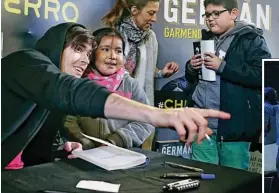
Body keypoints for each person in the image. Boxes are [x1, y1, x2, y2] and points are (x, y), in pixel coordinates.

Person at [1, 22, 230, 171]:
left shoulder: (50, 99)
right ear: (56, 45)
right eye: (77, 49)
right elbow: (70, 91)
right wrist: (159, 115)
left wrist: (64, 147)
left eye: (88, 53)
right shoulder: (26, 61)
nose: (84, 60)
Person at [185, 0, 271, 170]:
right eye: (207, 14)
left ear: (233, 14)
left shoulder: (251, 39)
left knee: (233, 183)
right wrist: (191, 67)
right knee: (204, 182)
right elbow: (191, 79)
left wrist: (222, 67)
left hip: (234, 127)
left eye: (216, 13)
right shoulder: (206, 38)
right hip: (201, 124)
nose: (210, 19)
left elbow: (262, 75)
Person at [102, 0, 179, 149]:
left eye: (156, 13)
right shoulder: (112, 34)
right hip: (116, 112)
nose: (155, 18)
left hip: (144, 110)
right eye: (151, 13)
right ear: (134, 10)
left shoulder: (151, 37)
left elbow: (146, 69)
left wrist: (162, 73)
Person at [63, 28, 154, 149]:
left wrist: (117, 140)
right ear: (93, 53)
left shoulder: (131, 85)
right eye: (105, 49)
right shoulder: (80, 82)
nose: (112, 56)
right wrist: (83, 142)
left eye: (118, 51)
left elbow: (146, 121)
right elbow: (68, 119)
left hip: (119, 155)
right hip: (82, 154)